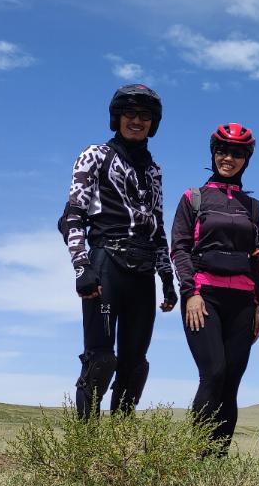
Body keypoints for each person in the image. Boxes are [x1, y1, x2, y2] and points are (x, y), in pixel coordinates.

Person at [61, 84, 177, 418]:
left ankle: (120, 442)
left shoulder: (154, 171)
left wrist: (167, 278)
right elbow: (72, 215)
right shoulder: (94, 155)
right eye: (129, 113)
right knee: (100, 360)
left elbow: (156, 226)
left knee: (135, 364)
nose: (136, 121)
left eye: (144, 116)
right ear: (117, 117)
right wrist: (82, 267)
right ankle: (85, 440)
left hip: (143, 273)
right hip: (106, 263)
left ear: (153, 123)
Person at [170, 123, 259, 452]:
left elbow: (258, 258)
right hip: (204, 295)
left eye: (237, 153)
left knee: (232, 380)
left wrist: (258, 305)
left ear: (246, 159)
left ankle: (217, 459)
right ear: (213, 153)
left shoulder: (252, 207)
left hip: (242, 301)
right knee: (213, 372)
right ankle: (197, 454)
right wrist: (190, 293)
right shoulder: (193, 198)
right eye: (223, 151)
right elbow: (179, 248)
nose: (229, 158)